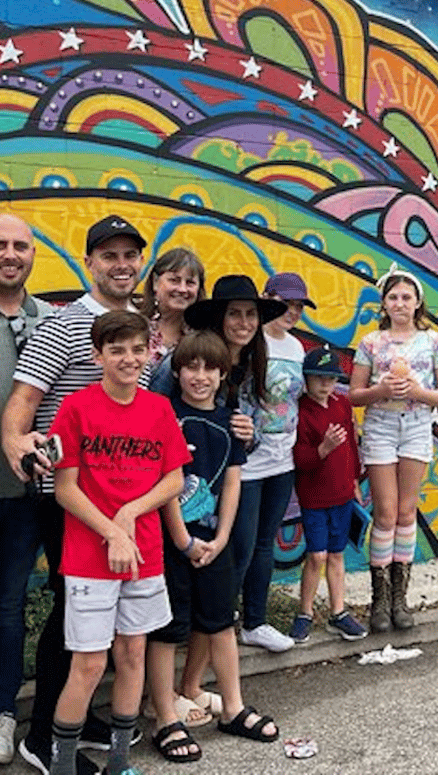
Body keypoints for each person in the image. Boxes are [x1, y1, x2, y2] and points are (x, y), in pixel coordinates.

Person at [1, 214, 148, 775]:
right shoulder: (63, 326)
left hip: (118, 504)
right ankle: (43, 737)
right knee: (74, 615)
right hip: (69, 500)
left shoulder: (138, 330)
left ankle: (77, 718)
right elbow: (22, 402)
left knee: (98, 620)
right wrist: (15, 440)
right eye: (109, 256)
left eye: (129, 255)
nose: (121, 265)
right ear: (89, 264)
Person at [47, 311, 190, 775]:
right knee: (89, 665)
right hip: (89, 556)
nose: (128, 359)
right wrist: (112, 530)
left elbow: (173, 479)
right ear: (98, 356)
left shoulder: (159, 409)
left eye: (137, 349)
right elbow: (65, 489)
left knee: (132, 656)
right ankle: (63, 766)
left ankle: (120, 763)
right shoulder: (76, 408)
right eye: (116, 350)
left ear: (149, 352)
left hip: (144, 553)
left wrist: (130, 512)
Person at [146, 330, 279, 763]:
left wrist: (221, 538)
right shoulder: (166, 417)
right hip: (172, 542)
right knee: (167, 629)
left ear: (223, 374)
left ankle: (233, 707)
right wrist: (183, 541)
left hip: (213, 542)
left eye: (209, 368)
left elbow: (233, 482)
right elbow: (166, 482)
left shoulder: (230, 421)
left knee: (221, 622)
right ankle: (166, 716)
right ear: (177, 372)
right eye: (191, 367)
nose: (199, 376)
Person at [173, 274, 289, 703]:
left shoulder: (251, 361)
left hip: (234, 479)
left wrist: (248, 435)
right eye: (234, 314)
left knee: (227, 576)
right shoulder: (197, 360)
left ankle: (191, 684)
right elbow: (170, 418)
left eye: (251, 314)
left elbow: (242, 434)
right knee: (201, 587)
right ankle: (172, 691)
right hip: (187, 494)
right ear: (219, 319)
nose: (243, 323)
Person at [349, 264, 438, 633]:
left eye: (406, 297)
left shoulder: (434, 342)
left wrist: (418, 392)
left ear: (418, 302)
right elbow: (354, 395)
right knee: (385, 513)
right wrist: (381, 391)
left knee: (407, 513)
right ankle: (378, 599)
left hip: (416, 428)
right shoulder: (371, 343)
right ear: (384, 303)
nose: (399, 303)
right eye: (393, 297)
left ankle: (399, 599)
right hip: (380, 427)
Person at [231, 272, 313, 652]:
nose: (292, 312)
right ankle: (219, 622)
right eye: (285, 304)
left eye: (299, 306)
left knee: (265, 543)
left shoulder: (296, 348)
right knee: (241, 545)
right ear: (267, 300)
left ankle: (255, 622)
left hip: (283, 460)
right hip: (248, 463)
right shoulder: (251, 341)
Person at [0, 215, 55, 765]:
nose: (10, 254)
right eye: (1, 245)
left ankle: (2, 713)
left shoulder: (50, 322)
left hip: (25, 498)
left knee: (9, 606)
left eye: (20, 245)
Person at [289, 346, 367, 643]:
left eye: (331, 378)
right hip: (314, 497)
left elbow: (351, 447)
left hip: (342, 493)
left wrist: (355, 480)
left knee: (336, 554)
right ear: (306, 379)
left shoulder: (342, 404)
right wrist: (323, 448)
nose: (325, 384)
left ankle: (338, 612)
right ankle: (304, 612)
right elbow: (300, 459)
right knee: (316, 555)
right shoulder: (300, 411)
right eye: (318, 377)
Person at [140, 247, 205, 386]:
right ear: (155, 282)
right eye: (174, 280)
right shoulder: (136, 326)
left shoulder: (204, 336)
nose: (182, 289)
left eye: (190, 283)